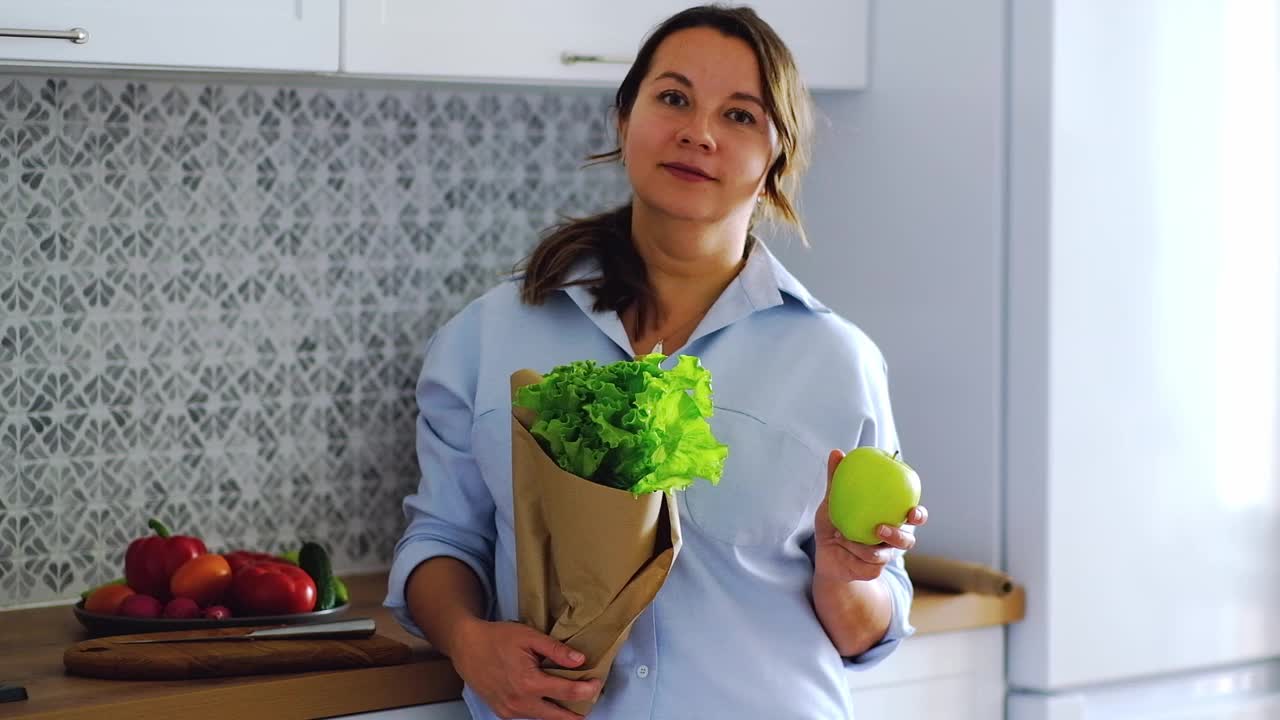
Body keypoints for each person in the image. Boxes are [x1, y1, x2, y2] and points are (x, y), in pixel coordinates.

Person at [384, 5, 929, 719]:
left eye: (740, 116)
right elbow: (441, 539)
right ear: (624, 118)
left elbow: (868, 633)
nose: (697, 132)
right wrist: (467, 641)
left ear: (776, 161)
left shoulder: (834, 360)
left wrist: (845, 573)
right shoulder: (491, 335)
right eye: (673, 98)